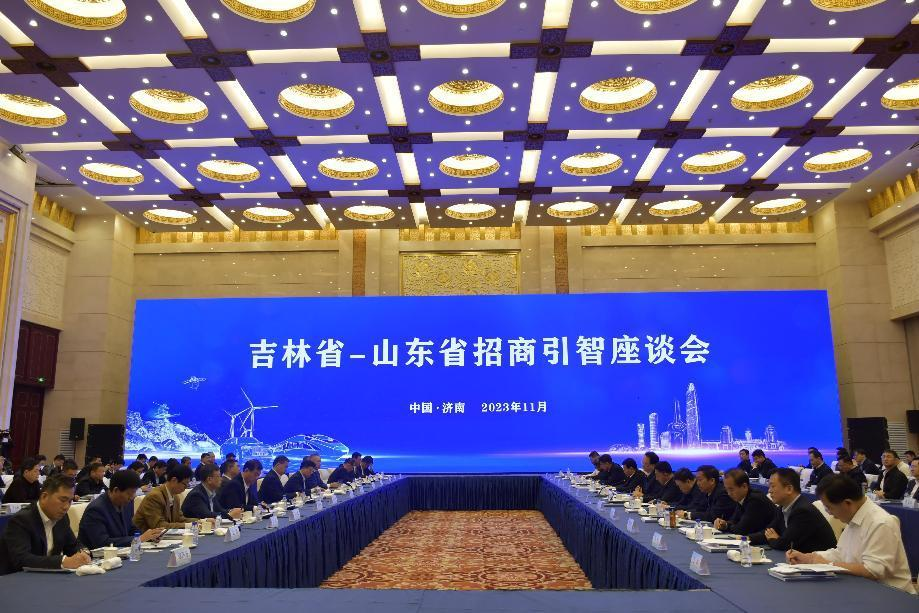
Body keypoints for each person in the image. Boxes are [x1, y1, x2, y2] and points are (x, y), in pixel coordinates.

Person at [788, 474, 915, 594]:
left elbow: (874, 570)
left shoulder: (881, 523)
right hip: (864, 589)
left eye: (829, 507)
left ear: (847, 503)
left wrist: (827, 565)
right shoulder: (855, 516)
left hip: (891, 595)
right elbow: (841, 554)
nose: (829, 513)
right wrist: (810, 558)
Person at [0, 475, 89, 574]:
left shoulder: (62, 518)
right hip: (17, 578)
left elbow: (73, 545)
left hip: (48, 576)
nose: (66, 507)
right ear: (44, 497)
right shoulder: (21, 520)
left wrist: (83, 553)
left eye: (70, 501)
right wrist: (62, 562)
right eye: (63, 500)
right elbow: (22, 559)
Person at [749, 468, 836, 553]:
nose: (769, 491)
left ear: (789, 489)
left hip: (820, 560)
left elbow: (785, 545)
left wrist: (772, 539)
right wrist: (746, 538)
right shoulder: (782, 507)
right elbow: (768, 532)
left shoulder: (803, 511)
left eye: (773, 486)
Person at [78, 469, 163, 549]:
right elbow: (102, 543)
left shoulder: (127, 503)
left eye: (134, 492)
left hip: (123, 553)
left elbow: (132, 529)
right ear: (116, 490)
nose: (132, 497)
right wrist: (138, 539)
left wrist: (150, 536)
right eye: (129, 493)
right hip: (99, 557)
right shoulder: (96, 510)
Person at [714, 469, 776, 536]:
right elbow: (734, 521)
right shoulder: (741, 498)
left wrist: (727, 526)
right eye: (727, 490)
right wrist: (724, 524)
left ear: (744, 486)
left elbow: (741, 530)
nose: (729, 493)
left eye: (731, 489)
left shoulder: (755, 500)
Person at [132, 464, 192, 532]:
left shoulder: (175, 497)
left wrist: (199, 521)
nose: (186, 487)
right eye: (185, 484)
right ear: (174, 480)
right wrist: (188, 525)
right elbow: (159, 525)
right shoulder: (155, 496)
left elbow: (180, 519)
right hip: (142, 535)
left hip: (164, 535)